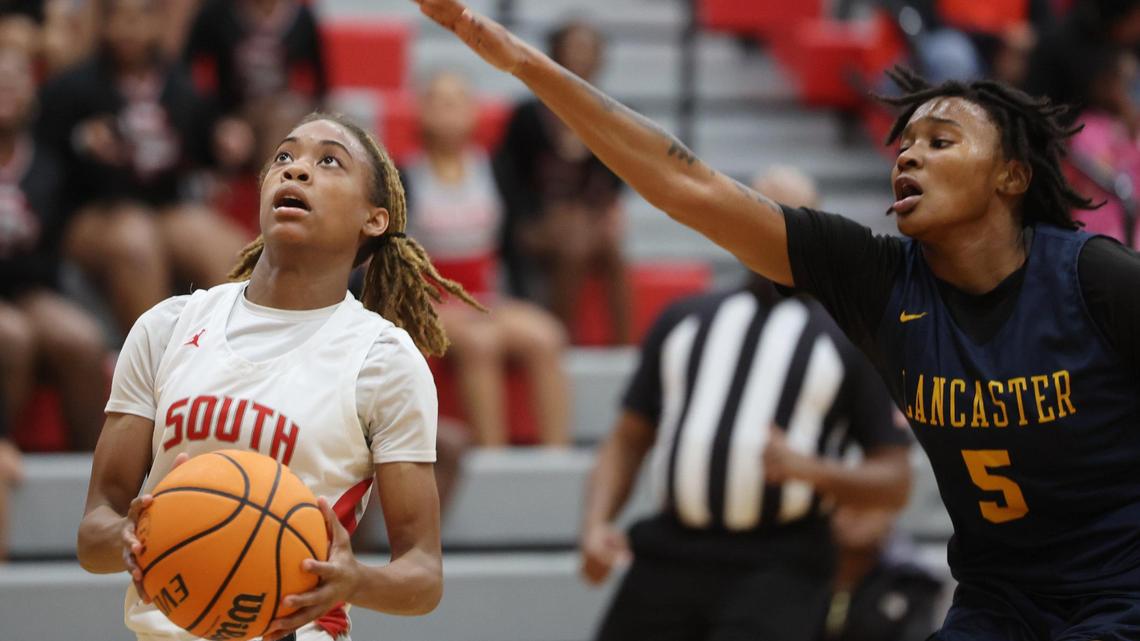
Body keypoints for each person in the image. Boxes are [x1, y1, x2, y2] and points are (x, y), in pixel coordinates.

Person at [417, 1, 1140, 638]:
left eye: (941, 140)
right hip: (998, 602)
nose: (909, 154)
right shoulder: (877, 280)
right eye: (904, 143)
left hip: (1120, 594)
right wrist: (518, 61)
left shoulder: (1094, 278)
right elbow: (685, 185)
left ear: (1012, 174)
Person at [77, 111, 482, 640]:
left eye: (328, 161)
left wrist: (353, 581)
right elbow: (93, 533)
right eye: (284, 158)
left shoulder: (382, 359)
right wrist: (133, 536)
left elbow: (423, 576)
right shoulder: (168, 326)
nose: (296, 171)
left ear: (374, 218)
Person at [579, 167, 911, 641]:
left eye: (791, 218)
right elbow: (628, 439)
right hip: (671, 551)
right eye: (757, 211)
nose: (772, 229)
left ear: (818, 230)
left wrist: (808, 470)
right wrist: (595, 524)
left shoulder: (852, 340)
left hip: (781, 563)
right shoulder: (683, 320)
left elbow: (895, 482)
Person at [36, 0, 249, 334]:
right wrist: (81, 142)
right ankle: (155, 371)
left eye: (140, 17)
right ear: (102, 25)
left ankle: (238, 365)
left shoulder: (179, 84)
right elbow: (40, 155)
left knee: (228, 248)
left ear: (158, 24)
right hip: (92, 211)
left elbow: (204, 141)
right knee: (136, 241)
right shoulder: (73, 85)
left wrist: (225, 142)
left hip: (163, 204)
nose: (129, 29)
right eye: (118, 18)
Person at [404, 70, 569, 447]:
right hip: (429, 302)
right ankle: (491, 456)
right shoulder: (406, 175)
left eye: (457, 101)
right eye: (438, 102)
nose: (448, 112)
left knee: (547, 336)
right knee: (481, 344)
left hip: (484, 297)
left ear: (473, 113)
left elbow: (512, 243)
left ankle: (556, 457)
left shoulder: (492, 169)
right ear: (421, 112)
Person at [493, 19, 631, 344]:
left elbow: (617, 179)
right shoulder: (527, 116)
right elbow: (507, 179)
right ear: (554, 54)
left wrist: (597, 212)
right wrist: (541, 215)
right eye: (573, 48)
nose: (580, 57)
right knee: (574, 243)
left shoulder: (612, 117)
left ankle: (625, 346)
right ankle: (561, 341)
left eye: (589, 50)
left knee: (609, 248)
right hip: (533, 224)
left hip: (588, 222)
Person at [0, 43, 109, 453]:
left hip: (29, 287)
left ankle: (94, 474)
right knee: (11, 337)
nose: (5, 89)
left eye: (15, 81)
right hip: (15, 291)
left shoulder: (49, 160)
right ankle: (6, 455)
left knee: (82, 340)